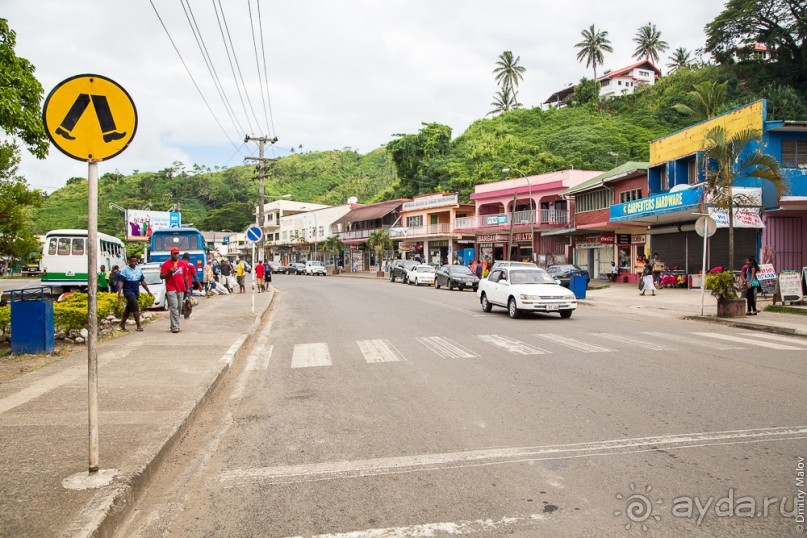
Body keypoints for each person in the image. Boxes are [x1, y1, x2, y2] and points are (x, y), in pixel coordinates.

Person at [117, 255, 153, 331]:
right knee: (135, 306)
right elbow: (121, 282)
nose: (133, 263)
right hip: (128, 291)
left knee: (129, 308)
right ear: (129, 261)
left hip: (136, 291)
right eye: (131, 261)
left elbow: (142, 281)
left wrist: (148, 291)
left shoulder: (139, 269)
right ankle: (138, 325)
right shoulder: (125, 270)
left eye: (134, 261)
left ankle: (122, 324)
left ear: (136, 262)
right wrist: (119, 293)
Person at [160, 247, 187, 333]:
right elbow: (161, 276)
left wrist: (188, 287)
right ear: (171, 254)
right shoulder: (166, 264)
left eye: (177, 253)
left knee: (178, 307)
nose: (176, 255)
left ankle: (173, 325)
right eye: (174, 253)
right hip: (171, 288)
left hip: (181, 287)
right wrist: (169, 272)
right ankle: (176, 327)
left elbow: (185, 276)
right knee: (174, 307)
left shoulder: (182, 264)